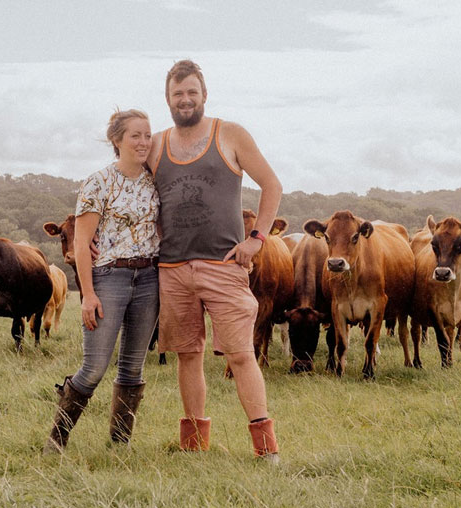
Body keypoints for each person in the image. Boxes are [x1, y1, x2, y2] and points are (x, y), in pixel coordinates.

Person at [148, 59, 283, 463]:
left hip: (223, 265)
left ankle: (266, 449)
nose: (185, 100)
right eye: (177, 94)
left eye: (192, 92)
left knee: (241, 353)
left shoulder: (231, 134)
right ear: (167, 99)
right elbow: (128, 195)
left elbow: (272, 184)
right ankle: (193, 446)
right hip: (171, 267)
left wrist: (257, 238)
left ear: (204, 95)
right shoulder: (155, 144)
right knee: (188, 354)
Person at [44, 109, 161, 454]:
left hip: (149, 278)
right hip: (109, 277)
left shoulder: (155, 180)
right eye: (135, 136)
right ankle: (57, 438)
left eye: (147, 135)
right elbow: (81, 244)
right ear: (117, 140)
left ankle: (120, 444)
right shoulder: (98, 182)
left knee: (132, 368)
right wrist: (88, 294)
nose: (143, 142)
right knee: (94, 368)